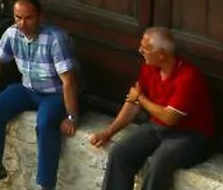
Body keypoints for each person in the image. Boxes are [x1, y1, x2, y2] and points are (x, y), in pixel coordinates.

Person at [0, 0, 84, 190]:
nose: (22, 23)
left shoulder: (56, 38)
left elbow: (69, 82)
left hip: (54, 93)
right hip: (28, 89)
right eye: (18, 17)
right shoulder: (12, 33)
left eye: (28, 18)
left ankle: (45, 185)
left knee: (45, 123)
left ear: (41, 17)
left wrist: (72, 116)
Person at [91, 28, 214, 190]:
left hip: (190, 136)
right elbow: (133, 103)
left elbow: (170, 117)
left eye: (146, 49)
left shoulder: (188, 77)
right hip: (158, 127)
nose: (141, 51)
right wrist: (108, 132)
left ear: (162, 54)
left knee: (158, 163)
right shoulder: (149, 68)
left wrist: (141, 98)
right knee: (120, 152)